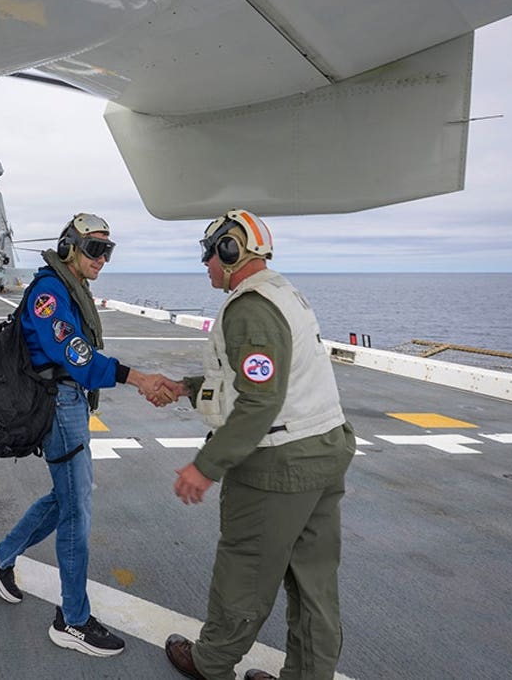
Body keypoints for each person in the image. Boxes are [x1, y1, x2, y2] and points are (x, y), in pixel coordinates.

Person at [0, 212, 181, 658]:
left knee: (70, 496)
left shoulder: (71, 287)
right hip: (59, 405)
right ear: (69, 247)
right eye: (95, 249)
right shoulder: (50, 292)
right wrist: (139, 379)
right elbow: (77, 356)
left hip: (69, 402)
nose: (102, 258)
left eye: (108, 251)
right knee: (76, 511)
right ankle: (72, 620)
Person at [162, 209, 357, 680]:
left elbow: (260, 402)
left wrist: (205, 466)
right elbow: (249, 381)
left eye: (209, 253)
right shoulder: (283, 293)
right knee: (313, 582)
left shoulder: (250, 309)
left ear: (231, 251)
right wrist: (186, 388)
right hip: (322, 449)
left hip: (278, 466)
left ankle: (211, 663)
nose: (205, 264)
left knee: (245, 571)